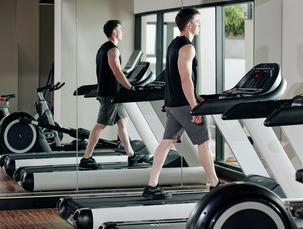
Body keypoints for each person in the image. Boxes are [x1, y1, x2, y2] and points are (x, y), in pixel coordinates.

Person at [142, 8, 221, 200]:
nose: (200, 25)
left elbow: (178, 78)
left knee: (167, 142)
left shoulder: (173, 44)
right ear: (189, 25)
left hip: (172, 103)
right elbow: (186, 79)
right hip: (184, 105)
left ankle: (151, 185)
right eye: (198, 21)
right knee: (204, 141)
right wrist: (194, 106)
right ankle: (215, 184)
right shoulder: (188, 47)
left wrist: (194, 95)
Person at [79, 20, 145, 169]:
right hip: (110, 95)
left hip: (114, 94)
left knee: (122, 122)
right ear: (114, 32)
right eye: (120, 29)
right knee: (101, 124)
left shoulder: (103, 48)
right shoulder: (113, 50)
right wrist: (130, 87)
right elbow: (117, 72)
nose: (122, 32)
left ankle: (131, 156)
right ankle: (86, 158)